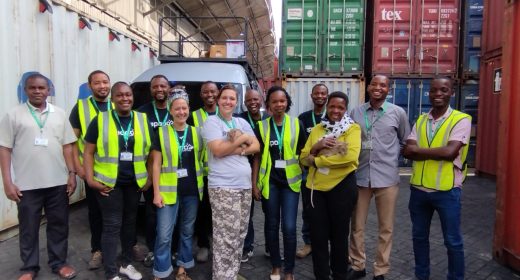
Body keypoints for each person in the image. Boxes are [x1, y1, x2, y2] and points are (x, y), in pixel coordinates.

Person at [0, 73, 78, 280]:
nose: (37, 91)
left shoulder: (60, 114)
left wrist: (72, 174)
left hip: (58, 183)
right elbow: (5, 149)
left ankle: (59, 263)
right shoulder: (13, 115)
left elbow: (68, 146)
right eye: (32, 88)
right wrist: (7, 182)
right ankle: (29, 267)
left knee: (59, 225)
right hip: (26, 185)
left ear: (48, 90)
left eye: (41, 88)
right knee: (28, 228)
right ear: (25, 90)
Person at [402, 77, 471, 280]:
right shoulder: (421, 120)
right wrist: (433, 151)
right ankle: (421, 276)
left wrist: (418, 151)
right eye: (434, 90)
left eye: (443, 90)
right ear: (428, 93)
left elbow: (450, 152)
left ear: (452, 92)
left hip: (447, 191)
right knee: (419, 238)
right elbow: (407, 152)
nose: (438, 94)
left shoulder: (461, 119)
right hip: (418, 191)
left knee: (452, 241)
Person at [83, 82, 153, 280]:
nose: (125, 98)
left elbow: (152, 151)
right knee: (112, 225)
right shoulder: (100, 119)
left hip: (133, 182)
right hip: (109, 183)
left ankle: (126, 263)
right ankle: (111, 272)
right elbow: (88, 152)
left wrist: (147, 177)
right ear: (112, 99)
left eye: (128, 95)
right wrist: (89, 179)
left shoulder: (141, 119)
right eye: (120, 95)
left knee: (130, 223)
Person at [348, 75, 411, 280]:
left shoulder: (397, 113)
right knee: (357, 225)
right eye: (374, 84)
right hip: (361, 176)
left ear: (388, 89)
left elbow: (405, 141)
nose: (378, 88)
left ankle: (381, 270)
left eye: (383, 85)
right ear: (368, 87)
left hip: (387, 178)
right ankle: (358, 265)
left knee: (386, 227)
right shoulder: (355, 112)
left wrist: (391, 159)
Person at [300, 91, 361, 280]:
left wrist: (317, 161)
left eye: (340, 107)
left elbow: (350, 157)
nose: (335, 110)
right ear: (327, 106)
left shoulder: (352, 129)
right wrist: (317, 148)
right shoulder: (318, 129)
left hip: (342, 188)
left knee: (339, 236)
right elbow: (303, 157)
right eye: (332, 106)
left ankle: (340, 274)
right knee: (318, 237)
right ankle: (322, 276)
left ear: (345, 109)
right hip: (316, 190)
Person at [202, 84, 260, 279]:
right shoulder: (211, 122)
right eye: (224, 98)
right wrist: (242, 140)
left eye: (232, 98)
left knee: (239, 235)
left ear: (237, 102)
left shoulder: (241, 122)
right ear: (218, 100)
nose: (228, 101)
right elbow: (217, 151)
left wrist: (236, 144)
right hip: (223, 187)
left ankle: (232, 273)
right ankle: (222, 276)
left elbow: (256, 146)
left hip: (243, 186)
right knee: (225, 237)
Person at [252, 86, 306, 280]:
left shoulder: (296, 124)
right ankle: (276, 265)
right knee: (271, 225)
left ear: (287, 102)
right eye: (274, 101)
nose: (279, 105)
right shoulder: (262, 126)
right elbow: (257, 157)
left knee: (290, 227)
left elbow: (303, 153)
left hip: (290, 182)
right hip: (270, 183)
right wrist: (254, 184)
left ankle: (289, 270)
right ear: (268, 105)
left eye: (282, 101)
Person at [150, 90, 204, 280]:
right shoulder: (162, 132)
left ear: (189, 109)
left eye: (184, 108)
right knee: (164, 234)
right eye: (177, 108)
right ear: (171, 111)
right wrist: (156, 193)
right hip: (167, 192)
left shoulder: (197, 132)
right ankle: (161, 271)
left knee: (187, 232)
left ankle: (182, 268)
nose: (181, 112)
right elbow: (156, 164)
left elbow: (201, 160)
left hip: (191, 191)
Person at [69, 70, 112, 270]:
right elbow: (70, 142)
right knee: (96, 213)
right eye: (97, 83)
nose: (102, 86)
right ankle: (97, 250)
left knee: (116, 214)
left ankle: (120, 248)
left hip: (114, 171)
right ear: (90, 86)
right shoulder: (80, 108)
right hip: (91, 171)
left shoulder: (117, 104)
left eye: (105, 82)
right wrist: (78, 169)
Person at [136, 74, 174, 266]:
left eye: (163, 86)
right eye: (155, 86)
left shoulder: (176, 111)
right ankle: (152, 249)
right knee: (152, 216)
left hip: (174, 173)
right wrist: (149, 176)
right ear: (151, 90)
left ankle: (172, 251)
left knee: (175, 214)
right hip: (152, 173)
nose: (159, 89)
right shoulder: (141, 113)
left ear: (169, 88)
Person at [187, 81, 219, 263]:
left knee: (220, 213)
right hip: (202, 173)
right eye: (205, 92)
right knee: (203, 211)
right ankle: (203, 245)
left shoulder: (226, 114)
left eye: (213, 91)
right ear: (201, 95)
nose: (209, 95)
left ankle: (221, 247)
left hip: (222, 173)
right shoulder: (193, 117)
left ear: (218, 93)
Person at [296, 83, 329, 259]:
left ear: (327, 95)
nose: (320, 96)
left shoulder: (333, 117)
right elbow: (300, 145)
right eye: (317, 93)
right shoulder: (303, 118)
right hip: (308, 172)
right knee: (308, 209)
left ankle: (328, 244)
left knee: (328, 211)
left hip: (329, 172)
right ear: (311, 95)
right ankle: (308, 243)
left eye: (323, 93)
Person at [237, 88, 269, 262]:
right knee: (246, 213)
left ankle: (270, 247)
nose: (253, 103)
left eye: (256, 99)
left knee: (269, 212)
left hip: (266, 171)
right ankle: (247, 247)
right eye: (249, 100)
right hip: (244, 169)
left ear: (262, 100)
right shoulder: (240, 119)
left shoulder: (268, 120)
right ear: (245, 103)